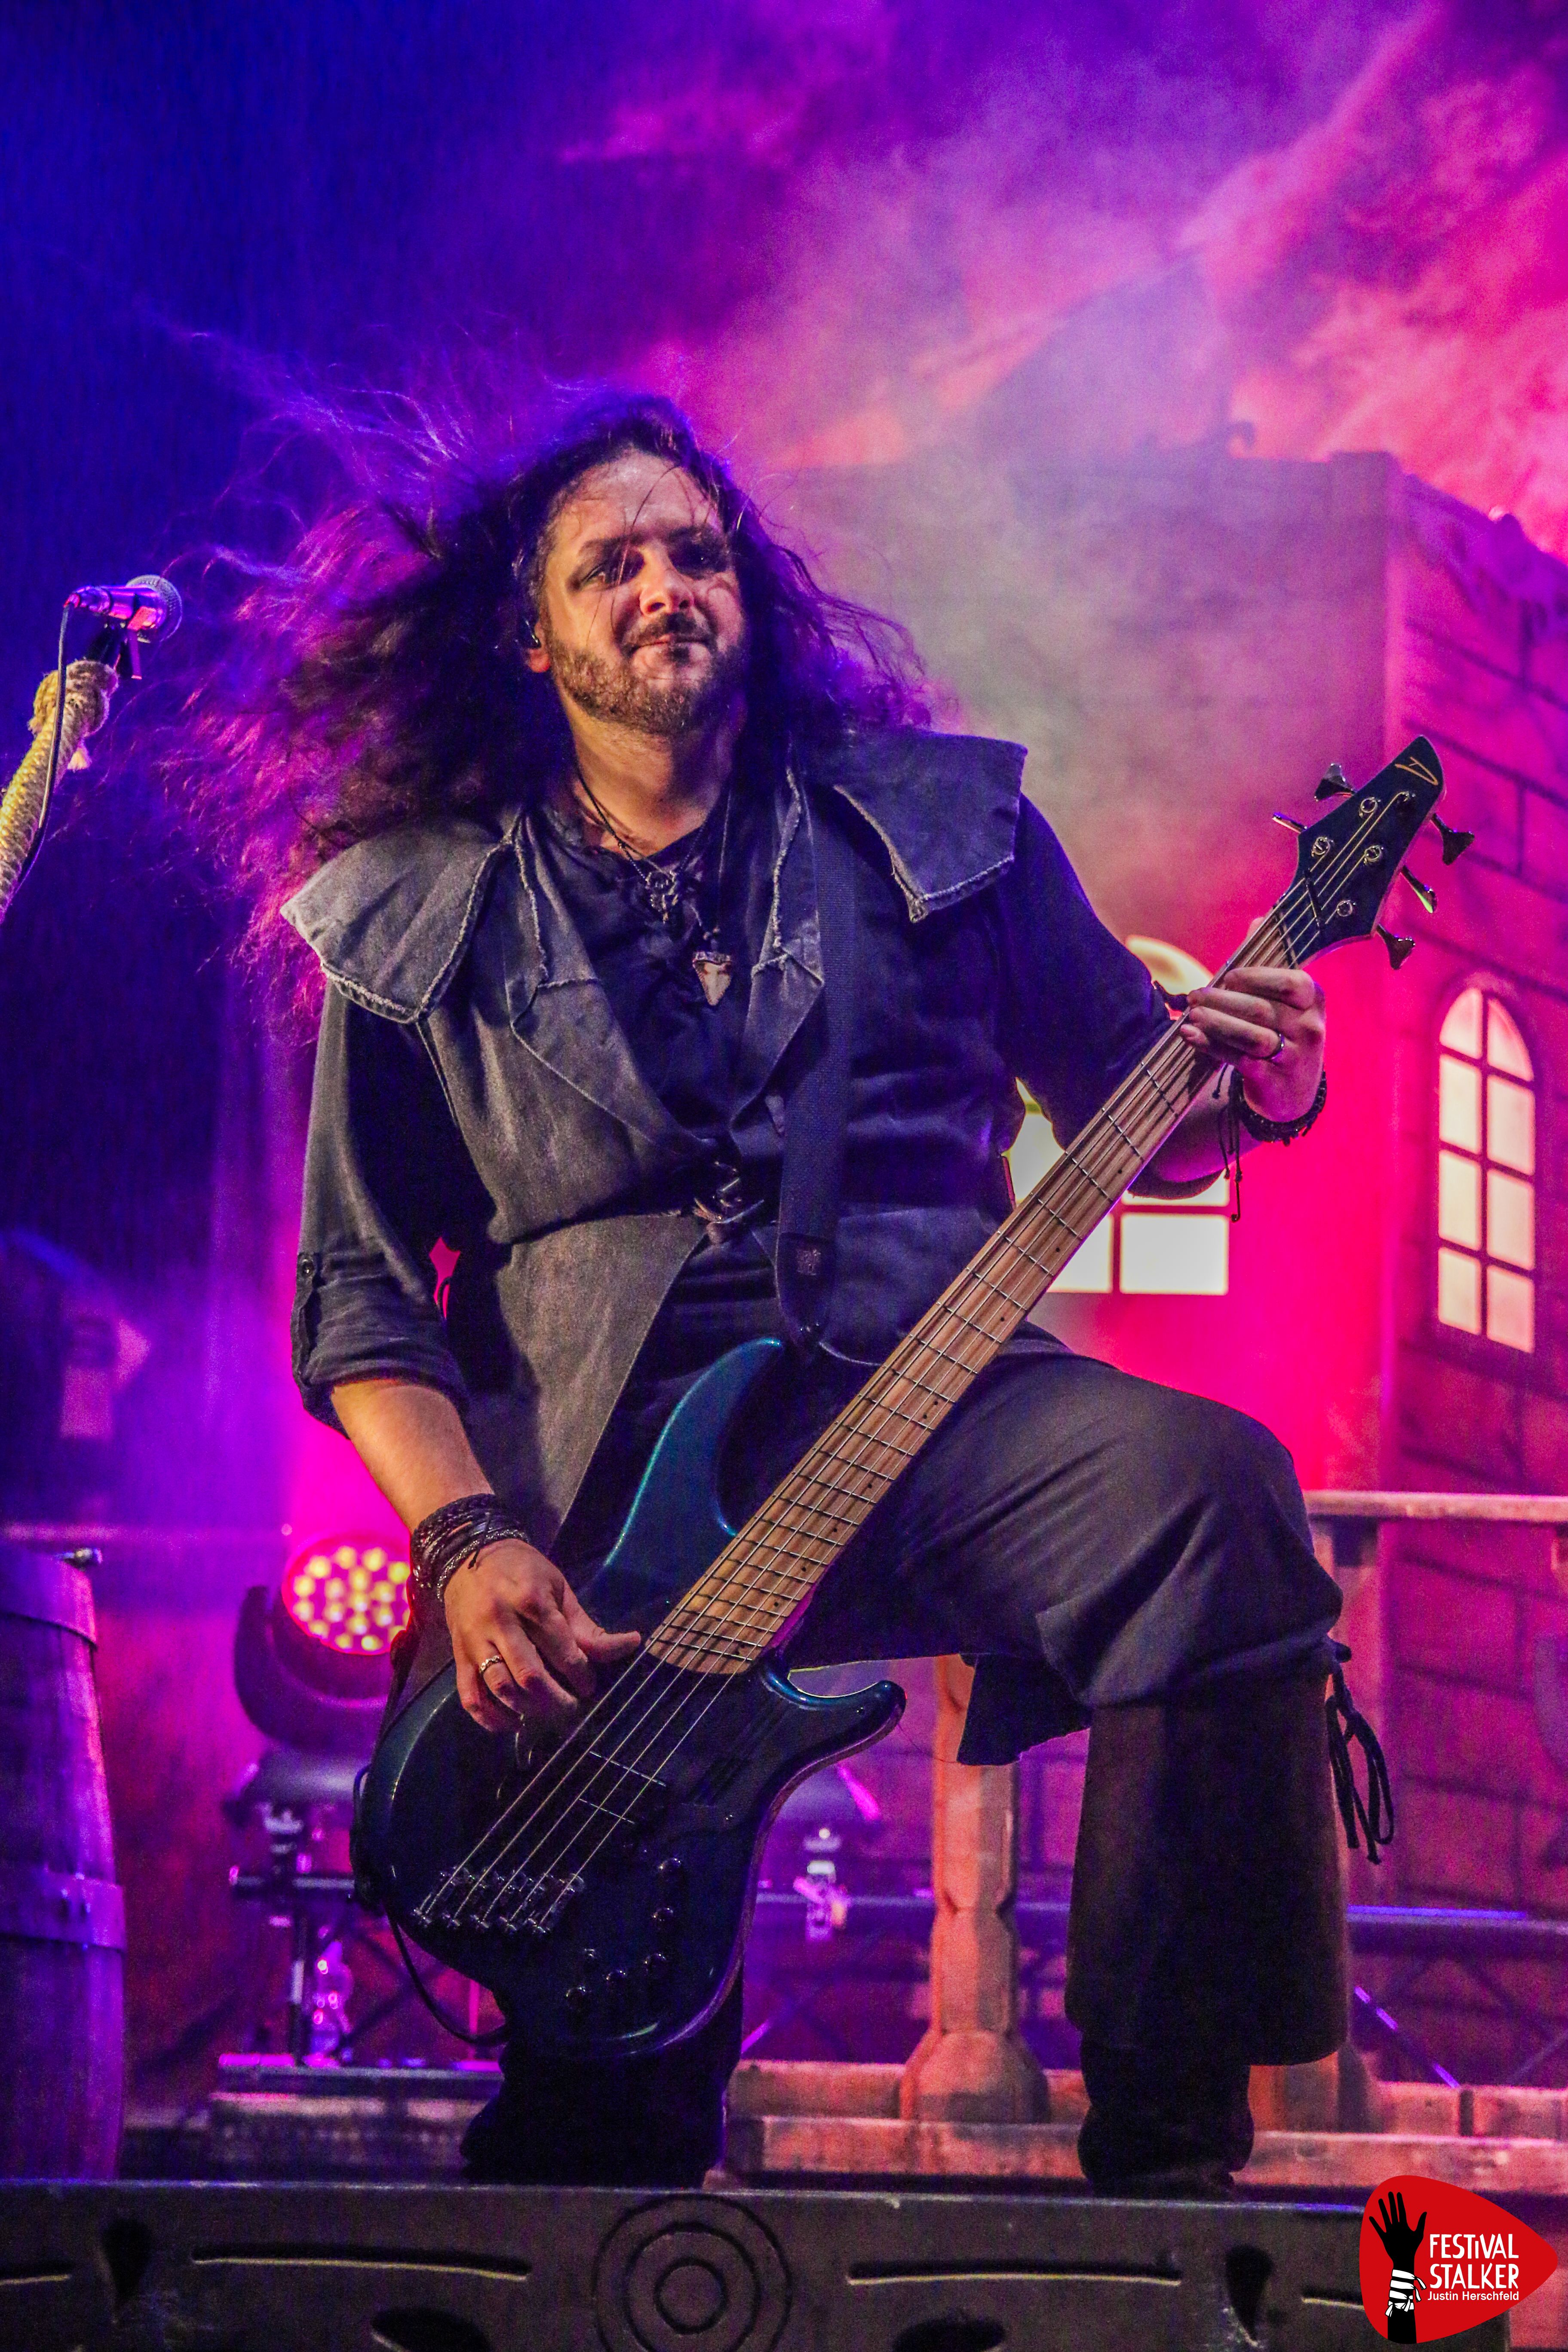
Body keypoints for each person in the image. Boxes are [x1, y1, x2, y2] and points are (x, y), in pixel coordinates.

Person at [245, 393, 1350, 2193]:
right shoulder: (415, 911)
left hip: (935, 1404)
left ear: (747, 590)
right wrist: (464, 1542)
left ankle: (1170, 2178)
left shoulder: (947, 827)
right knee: (600, 2115)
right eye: (610, 565)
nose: (662, 587)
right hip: (595, 1476)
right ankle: (589, 2199)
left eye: (696, 552)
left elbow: (1144, 1108)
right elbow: (361, 1296)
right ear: (531, 635)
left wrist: (1267, 1086)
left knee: (1209, 1496)